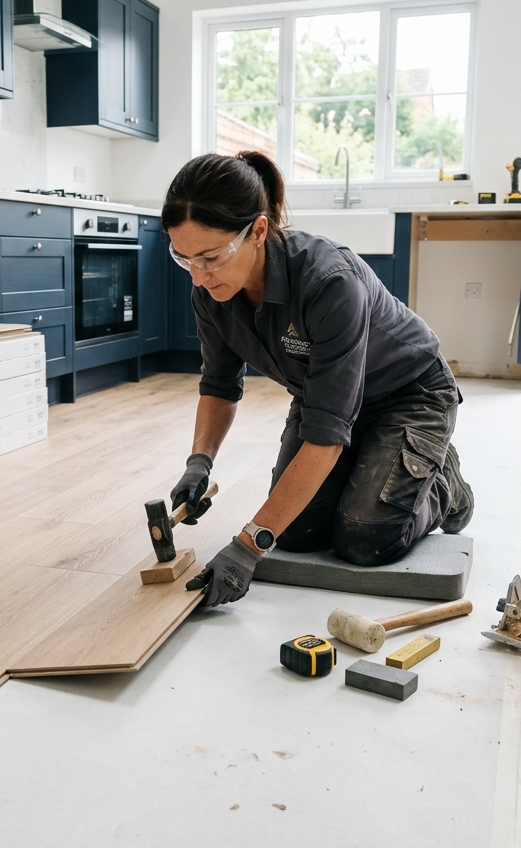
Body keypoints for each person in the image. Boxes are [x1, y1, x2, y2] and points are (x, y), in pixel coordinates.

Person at [163, 151, 474, 608]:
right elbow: (219, 385)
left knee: (365, 537)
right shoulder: (211, 290)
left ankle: (445, 483)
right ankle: (380, 467)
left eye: (211, 257)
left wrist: (248, 547)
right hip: (324, 399)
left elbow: (326, 437)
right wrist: (199, 463)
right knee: (296, 533)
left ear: (259, 231)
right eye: (183, 258)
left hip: (409, 394)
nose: (197, 275)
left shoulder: (329, 281)